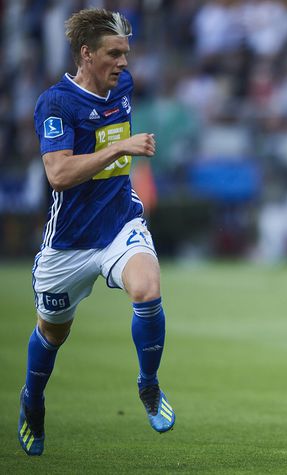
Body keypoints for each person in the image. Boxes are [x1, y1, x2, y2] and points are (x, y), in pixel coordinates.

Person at [19, 8, 175, 456]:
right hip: (67, 242)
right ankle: (32, 400)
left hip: (119, 222)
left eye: (126, 53)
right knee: (52, 334)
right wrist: (122, 147)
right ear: (86, 55)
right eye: (114, 54)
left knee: (147, 290)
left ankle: (148, 385)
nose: (124, 63)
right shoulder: (56, 103)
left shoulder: (120, 86)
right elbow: (59, 174)